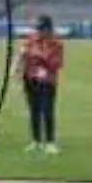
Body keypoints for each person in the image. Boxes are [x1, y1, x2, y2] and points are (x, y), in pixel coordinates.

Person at [20, 14, 64, 154]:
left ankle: (50, 142)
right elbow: (23, 55)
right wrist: (20, 66)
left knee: (47, 111)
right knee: (34, 111)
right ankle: (36, 141)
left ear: (49, 29)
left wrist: (38, 56)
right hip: (30, 79)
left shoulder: (56, 44)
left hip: (47, 81)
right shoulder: (31, 40)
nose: (39, 32)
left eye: (42, 29)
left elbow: (56, 63)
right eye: (38, 29)